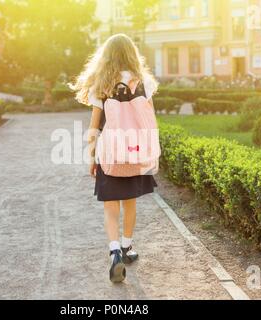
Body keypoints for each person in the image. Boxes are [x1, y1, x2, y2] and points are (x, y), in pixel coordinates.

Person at [70, 34, 159, 283]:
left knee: (111, 207)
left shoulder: (102, 84)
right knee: (130, 202)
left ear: (106, 56)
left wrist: (92, 157)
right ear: (132, 54)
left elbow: (94, 127)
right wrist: (151, 152)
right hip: (136, 152)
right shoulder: (144, 83)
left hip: (110, 154)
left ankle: (114, 252)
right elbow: (150, 121)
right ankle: (128, 247)